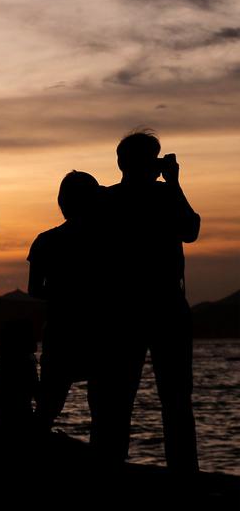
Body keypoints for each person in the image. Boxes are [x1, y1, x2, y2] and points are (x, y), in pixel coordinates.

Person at [92, 130, 200, 472]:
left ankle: (111, 464)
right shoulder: (164, 196)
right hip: (160, 306)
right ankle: (183, 472)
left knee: (120, 397)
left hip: (124, 309)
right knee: (175, 398)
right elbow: (191, 229)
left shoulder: (106, 200)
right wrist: (174, 183)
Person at [28, 171, 104, 430]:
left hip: (61, 331)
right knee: (105, 410)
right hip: (101, 331)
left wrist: (63, 294)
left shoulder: (46, 240)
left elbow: (35, 289)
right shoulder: (108, 239)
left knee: (48, 407)